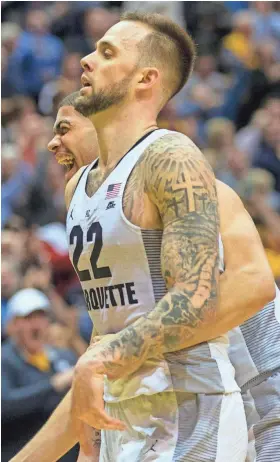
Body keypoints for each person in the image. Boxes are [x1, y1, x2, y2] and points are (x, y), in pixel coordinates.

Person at [12, 13, 275, 462]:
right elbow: (109, 326)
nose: (87, 60)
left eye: (108, 52)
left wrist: (105, 357)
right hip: (129, 415)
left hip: (206, 408)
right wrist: (90, 436)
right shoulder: (81, 190)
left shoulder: (173, 161)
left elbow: (234, 289)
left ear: (146, 78)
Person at [2, 288, 78, 462]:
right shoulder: (4, 360)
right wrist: (52, 386)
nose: (36, 324)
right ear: (12, 325)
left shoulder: (63, 356)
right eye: (28, 318)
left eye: (41, 317)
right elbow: (4, 405)